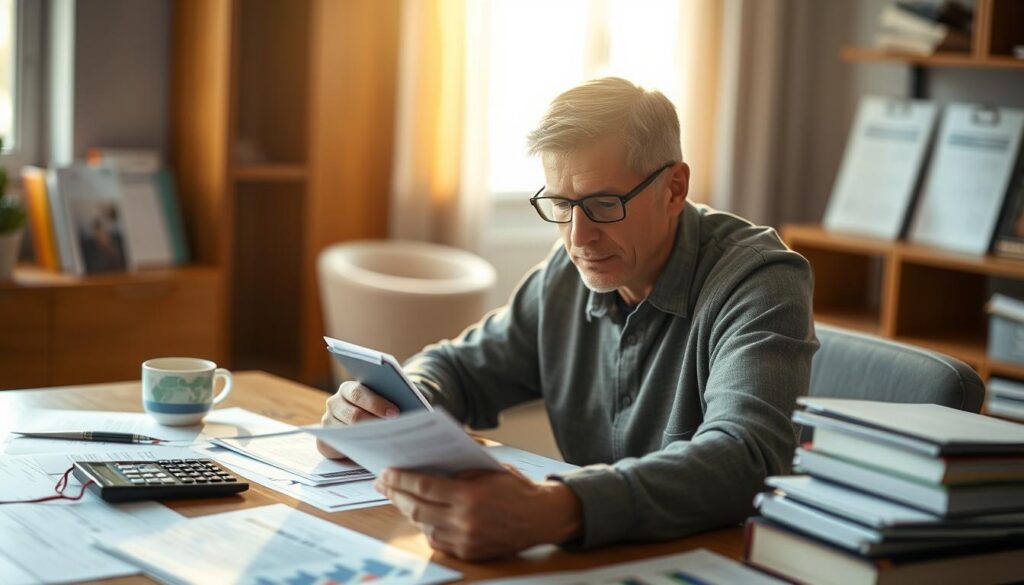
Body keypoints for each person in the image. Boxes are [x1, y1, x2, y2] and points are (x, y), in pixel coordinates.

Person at [320, 77, 818, 560]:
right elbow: (461, 368)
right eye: (561, 204)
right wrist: (388, 408)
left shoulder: (760, 280)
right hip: (602, 560)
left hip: (720, 560)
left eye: (604, 204)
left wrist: (559, 508)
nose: (579, 238)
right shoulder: (566, 273)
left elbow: (747, 457)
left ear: (673, 188)